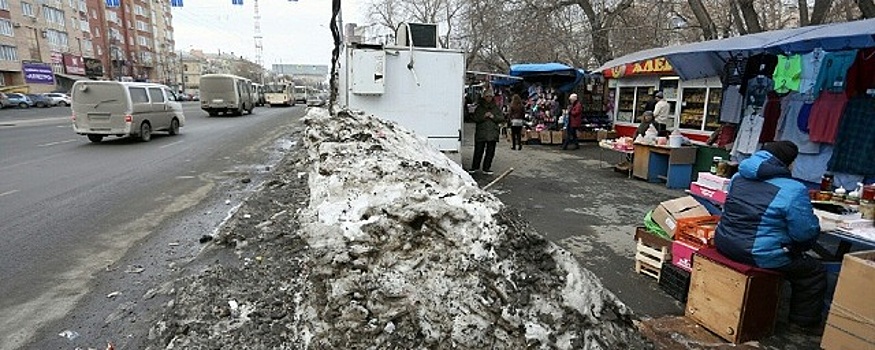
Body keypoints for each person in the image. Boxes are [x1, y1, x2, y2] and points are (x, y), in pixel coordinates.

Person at [713, 141, 825, 332]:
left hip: (724, 241)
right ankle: (802, 324)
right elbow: (804, 233)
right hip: (756, 253)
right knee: (814, 272)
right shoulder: (793, 189)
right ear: (788, 163)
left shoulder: (738, 177)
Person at [469, 89, 505, 175]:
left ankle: (486, 168)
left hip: (493, 133)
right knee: (478, 151)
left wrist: (493, 116)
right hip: (481, 133)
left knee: (490, 152)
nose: (488, 98)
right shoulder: (479, 108)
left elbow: (501, 118)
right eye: (487, 96)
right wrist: (484, 116)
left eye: (490, 96)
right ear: (484, 97)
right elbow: (475, 118)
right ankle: (475, 167)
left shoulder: (496, 108)